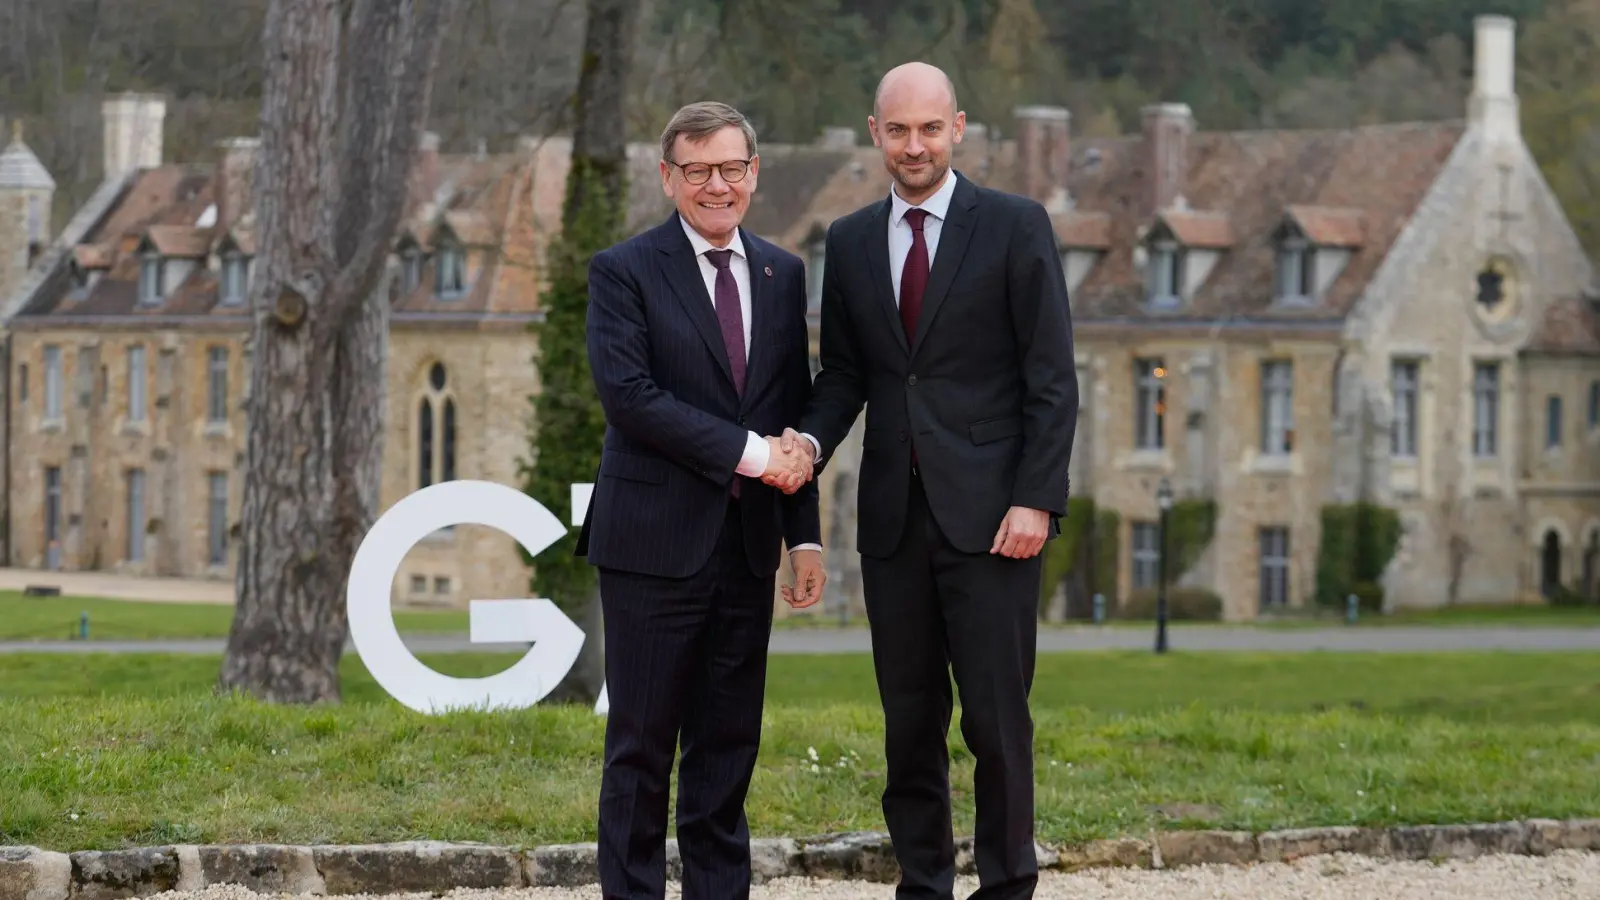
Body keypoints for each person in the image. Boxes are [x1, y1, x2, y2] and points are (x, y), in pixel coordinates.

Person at [777, 63, 1078, 900]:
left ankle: (1009, 885)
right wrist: (807, 441)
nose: (916, 146)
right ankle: (923, 884)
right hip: (893, 523)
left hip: (995, 522)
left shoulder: (1015, 226)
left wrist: (1037, 498)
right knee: (909, 725)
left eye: (931, 129)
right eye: (900, 130)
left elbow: (1052, 378)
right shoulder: (850, 241)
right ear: (876, 133)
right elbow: (846, 375)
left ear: (959, 129)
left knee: (996, 722)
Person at [576, 100, 826, 900]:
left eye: (731, 169)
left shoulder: (782, 273)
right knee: (641, 753)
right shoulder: (623, 270)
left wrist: (804, 537)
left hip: (747, 549)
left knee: (727, 753)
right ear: (667, 177)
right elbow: (631, 399)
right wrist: (754, 455)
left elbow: (789, 405)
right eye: (698, 170)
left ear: (754, 173)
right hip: (651, 547)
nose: (717, 186)